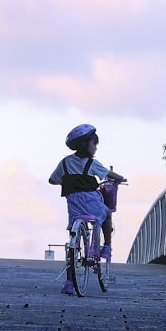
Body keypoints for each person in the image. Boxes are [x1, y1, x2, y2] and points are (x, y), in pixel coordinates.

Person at [49, 124, 125, 292]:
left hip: (74, 205)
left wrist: (66, 180)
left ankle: (69, 283)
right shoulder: (92, 163)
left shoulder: (65, 163)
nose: (95, 147)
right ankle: (107, 247)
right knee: (107, 213)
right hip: (91, 202)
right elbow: (109, 175)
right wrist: (120, 178)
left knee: (73, 244)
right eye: (94, 144)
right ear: (86, 144)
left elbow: (52, 180)